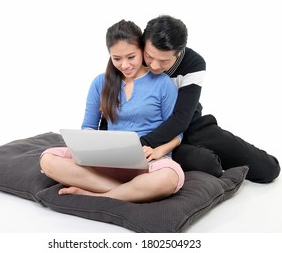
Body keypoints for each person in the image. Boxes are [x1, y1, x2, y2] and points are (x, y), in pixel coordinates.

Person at [40, 20, 185, 203]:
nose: (125, 65)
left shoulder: (163, 83)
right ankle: (128, 192)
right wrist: (92, 147)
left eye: (131, 57)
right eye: (117, 58)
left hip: (150, 163)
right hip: (107, 160)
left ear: (142, 50)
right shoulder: (100, 83)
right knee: (48, 159)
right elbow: (88, 127)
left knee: (169, 178)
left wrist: (158, 152)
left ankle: (98, 194)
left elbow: (177, 133)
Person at [136, 14, 280, 183]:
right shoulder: (132, 56)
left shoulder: (194, 63)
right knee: (207, 163)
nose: (154, 65)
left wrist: (138, 145)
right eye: (149, 57)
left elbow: (181, 118)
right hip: (149, 129)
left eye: (164, 61)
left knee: (268, 169)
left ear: (179, 53)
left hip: (190, 126)